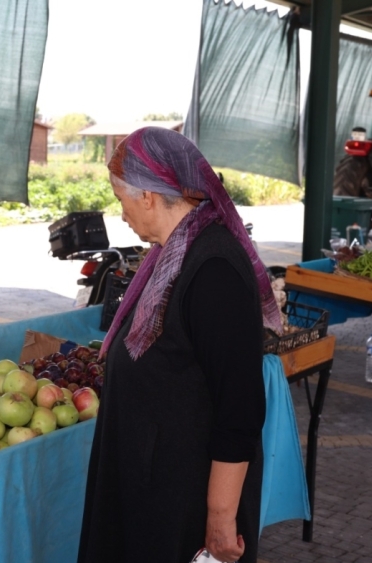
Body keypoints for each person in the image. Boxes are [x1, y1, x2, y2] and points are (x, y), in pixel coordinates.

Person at [77, 127, 281, 563]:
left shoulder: (213, 269)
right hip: (151, 483)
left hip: (183, 496)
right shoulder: (172, 252)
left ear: (148, 197)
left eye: (122, 201)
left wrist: (221, 516)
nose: (123, 214)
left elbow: (240, 407)